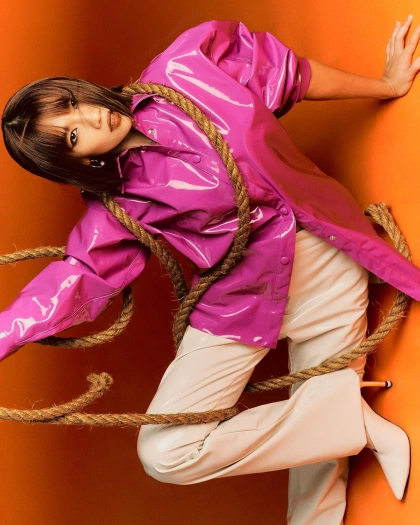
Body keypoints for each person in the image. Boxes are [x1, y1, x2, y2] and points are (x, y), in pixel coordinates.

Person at [2, 17, 420, 525]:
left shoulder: (188, 66)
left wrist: (387, 85)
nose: (92, 119)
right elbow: (73, 277)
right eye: (73, 135)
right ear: (74, 164)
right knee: (164, 452)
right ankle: (350, 418)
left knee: (318, 452)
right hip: (238, 303)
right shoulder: (118, 207)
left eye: (72, 103)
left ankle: (339, 421)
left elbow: (294, 75)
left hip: (326, 266)